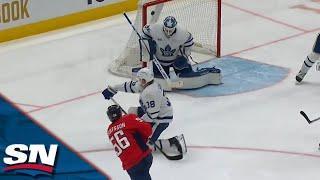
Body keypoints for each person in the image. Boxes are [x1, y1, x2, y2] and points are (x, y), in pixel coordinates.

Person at [102, 67, 185, 154]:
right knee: (132, 111)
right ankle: (132, 130)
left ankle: (172, 142)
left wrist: (135, 123)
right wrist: (113, 88)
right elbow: (130, 86)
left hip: (161, 120)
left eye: (140, 79)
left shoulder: (150, 93)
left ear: (145, 80)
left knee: (144, 144)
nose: (138, 81)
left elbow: (152, 115)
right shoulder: (148, 84)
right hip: (155, 111)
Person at [107, 104, 153, 180]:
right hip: (142, 157)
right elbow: (148, 130)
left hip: (129, 165)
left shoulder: (109, 130)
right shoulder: (129, 118)